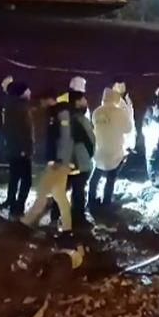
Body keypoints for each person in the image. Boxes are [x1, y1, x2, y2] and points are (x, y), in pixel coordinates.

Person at [23, 91, 75, 237]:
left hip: (59, 163)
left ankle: (25, 224)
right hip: (59, 162)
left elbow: (65, 138)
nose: (41, 105)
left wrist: (59, 159)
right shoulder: (56, 113)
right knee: (59, 195)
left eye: (42, 101)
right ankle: (67, 229)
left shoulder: (61, 113)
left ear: (48, 99)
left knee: (42, 191)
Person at [89, 87, 134, 210]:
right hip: (114, 150)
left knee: (96, 175)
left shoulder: (96, 112)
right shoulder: (119, 112)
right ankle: (107, 201)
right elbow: (128, 129)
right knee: (111, 177)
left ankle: (91, 200)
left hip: (99, 150)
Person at [2, 81, 35, 218]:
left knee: (14, 177)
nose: (30, 92)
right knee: (26, 180)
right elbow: (24, 131)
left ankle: (11, 202)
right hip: (21, 150)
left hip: (14, 149)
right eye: (27, 90)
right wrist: (26, 149)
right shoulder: (21, 108)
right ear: (22, 93)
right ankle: (18, 207)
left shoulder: (11, 106)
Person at [65, 91, 95, 225]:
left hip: (66, 159)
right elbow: (91, 139)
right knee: (79, 189)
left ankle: (56, 216)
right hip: (80, 159)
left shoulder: (64, 117)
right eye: (83, 99)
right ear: (77, 102)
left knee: (63, 188)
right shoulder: (81, 120)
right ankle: (78, 218)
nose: (86, 101)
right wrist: (90, 154)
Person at [141, 87, 159, 185]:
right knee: (151, 159)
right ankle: (153, 180)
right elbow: (146, 125)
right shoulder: (151, 109)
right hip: (152, 137)